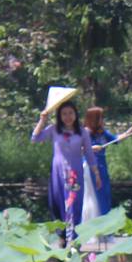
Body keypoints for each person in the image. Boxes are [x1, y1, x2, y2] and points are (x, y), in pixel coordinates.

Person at [31, 97, 103, 240]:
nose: (68, 117)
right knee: (57, 204)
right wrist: (42, 120)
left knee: (73, 205)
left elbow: (89, 153)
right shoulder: (53, 130)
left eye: (71, 113)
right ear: (59, 116)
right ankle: (62, 237)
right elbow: (35, 138)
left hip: (74, 175)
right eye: (64, 114)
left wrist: (96, 174)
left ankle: (73, 240)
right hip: (58, 175)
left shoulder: (82, 132)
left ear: (75, 115)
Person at [82, 108, 132, 215]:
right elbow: (78, 149)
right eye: (101, 118)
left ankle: (104, 224)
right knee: (93, 196)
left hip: (102, 167)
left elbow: (116, 139)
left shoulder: (103, 133)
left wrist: (130, 131)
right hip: (90, 168)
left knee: (104, 194)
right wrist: (92, 148)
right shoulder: (85, 133)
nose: (103, 120)